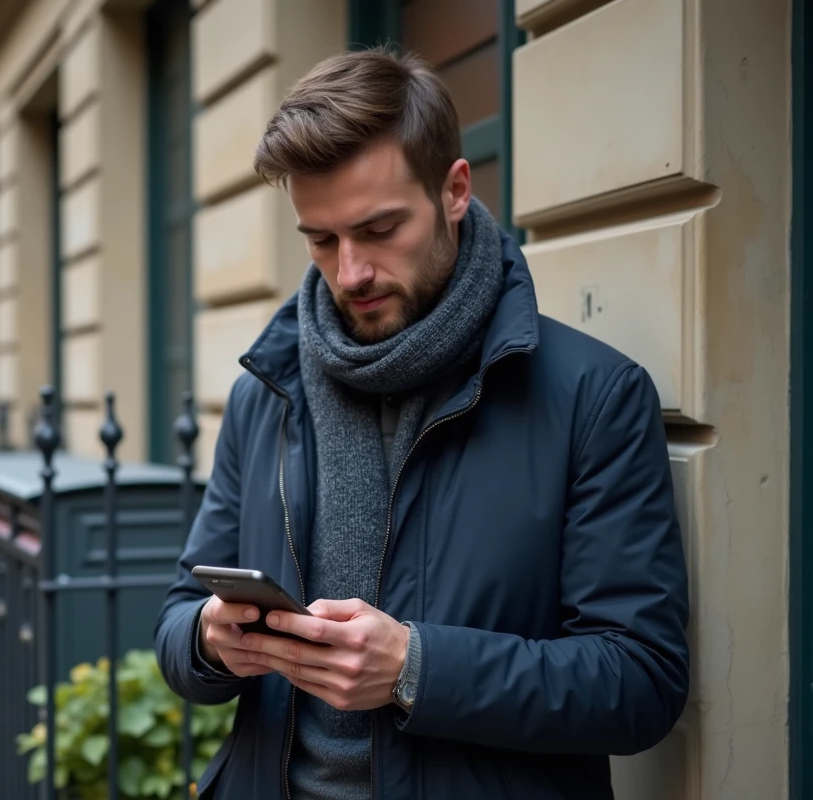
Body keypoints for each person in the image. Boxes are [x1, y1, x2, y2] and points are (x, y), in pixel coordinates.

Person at [155, 48, 689, 799]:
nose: (350, 273)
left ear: (456, 191)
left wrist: (415, 669)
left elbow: (641, 683)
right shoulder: (267, 392)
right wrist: (209, 640)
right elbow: (178, 621)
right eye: (320, 239)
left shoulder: (594, 396)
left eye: (378, 230)